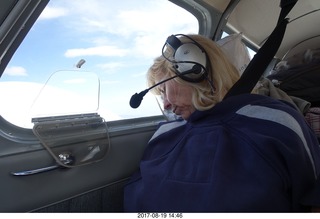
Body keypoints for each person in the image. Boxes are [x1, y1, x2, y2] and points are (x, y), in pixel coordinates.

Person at [124, 34, 320, 212]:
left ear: (194, 68)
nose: (165, 105)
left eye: (164, 89)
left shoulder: (277, 122)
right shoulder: (163, 135)